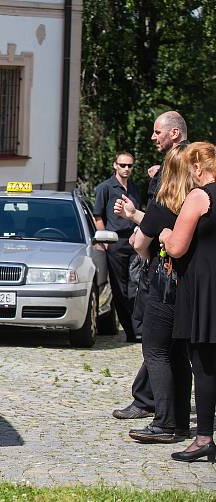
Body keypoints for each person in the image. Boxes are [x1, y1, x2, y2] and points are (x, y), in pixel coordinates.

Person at [114, 145, 193, 443]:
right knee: (179, 356)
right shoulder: (196, 203)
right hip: (189, 286)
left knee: (156, 352)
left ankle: (164, 422)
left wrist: (150, 255)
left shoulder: (163, 205)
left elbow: (138, 244)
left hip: (164, 284)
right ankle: (182, 423)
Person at [159, 142, 216, 462]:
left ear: (197, 168)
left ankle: (204, 438)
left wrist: (166, 233)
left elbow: (177, 247)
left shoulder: (200, 196)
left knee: (205, 366)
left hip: (205, 289)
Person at [94, 151, 141, 340]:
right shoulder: (105, 188)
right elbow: (98, 216)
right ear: (115, 165)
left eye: (130, 166)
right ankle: (132, 331)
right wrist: (105, 241)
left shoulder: (135, 188)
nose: (126, 169)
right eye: (123, 165)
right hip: (114, 241)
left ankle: (138, 329)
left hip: (134, 240)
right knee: (120, 288)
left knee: (136, 286)